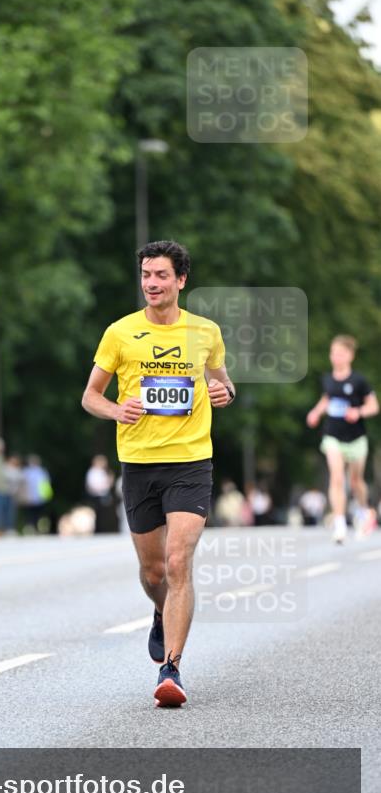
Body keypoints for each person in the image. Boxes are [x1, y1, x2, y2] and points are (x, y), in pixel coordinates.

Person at [82, 239, 235, 707]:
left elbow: (223, 382)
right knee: (153, 573)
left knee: (177, 562)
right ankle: (160, 609)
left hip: (191, 461)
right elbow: (90, 396)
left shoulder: (205, 332)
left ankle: (171, 669)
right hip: (139, 464)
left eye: (161, 275)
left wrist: (225, 392)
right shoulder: (120, 333)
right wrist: (116, 410)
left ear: (181, 280)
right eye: (146, 275)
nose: (152, 283)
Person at [306, 335, 379, 542]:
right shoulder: (327, 379)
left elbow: (374, 406)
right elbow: (327, 399)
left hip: (356, 438)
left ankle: (365, 511)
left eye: (340, 354)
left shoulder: (359, 381)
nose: (335, 357)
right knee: (337, 477)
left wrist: (359, 412)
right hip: (333, 436)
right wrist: (316, 412)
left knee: (356, 481)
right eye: (333, 353)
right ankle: (340, 524)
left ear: (350, 356)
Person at [85, 454, 117, 533]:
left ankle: (103, 529)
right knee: (97, 515)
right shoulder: (93, 472)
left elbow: (108, 485)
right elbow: (93, 485)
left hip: (103, 496)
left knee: (104, 515)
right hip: (96, 496)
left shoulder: (103, 472)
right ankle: (97, 530)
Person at [21, 455, 53, 532]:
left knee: (38, 514)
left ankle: (38, 528)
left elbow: (46, 483)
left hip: (39, 497)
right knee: (30, 514)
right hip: (29, 497)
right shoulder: (27, 472)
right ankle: (30, 528)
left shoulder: (41, 471)